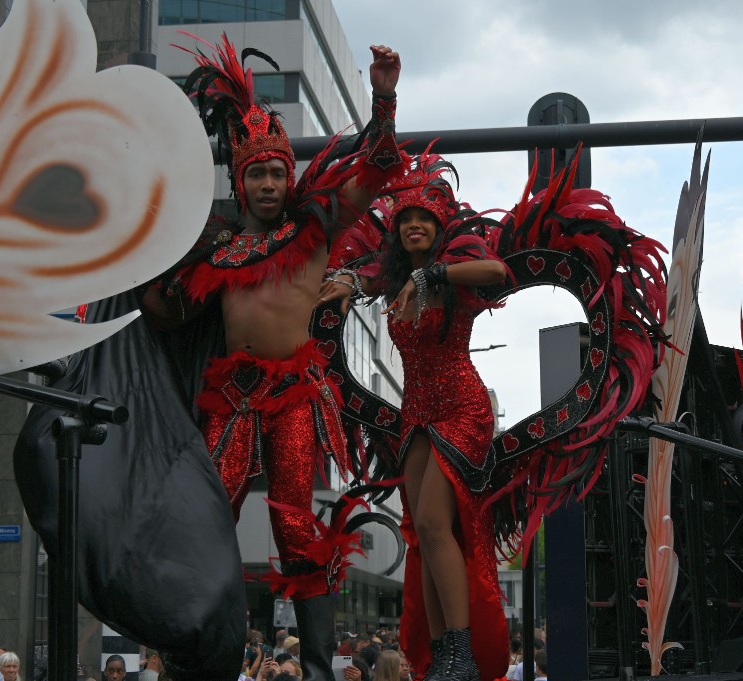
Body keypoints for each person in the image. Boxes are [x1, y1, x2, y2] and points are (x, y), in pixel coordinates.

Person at [141, 34, 405, 681]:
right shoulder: (220, 249)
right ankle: (195, 660)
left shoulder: (315, 226)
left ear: (290, 175)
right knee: (204, 519)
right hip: (230, 398)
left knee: (296, 527)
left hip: (294, 397)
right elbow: (166, 312)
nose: (266, 182)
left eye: (275, 171)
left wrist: (383, 94)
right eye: (255, 172)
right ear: (240, 177)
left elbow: (376, 165)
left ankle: (315, 670)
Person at [319, 150, 510, 681]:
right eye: (406, 220)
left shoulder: (453, 275)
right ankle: (445, 651)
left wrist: (438, 277)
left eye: (425, 218)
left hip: (462, 408)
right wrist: (352, 284)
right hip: (417, 415)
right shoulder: (397, 279)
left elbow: (499, 270)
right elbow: (368, 280)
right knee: (423, 535)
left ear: (440, 226)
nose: (415, 226)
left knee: (432, 521)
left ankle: (462, 653)